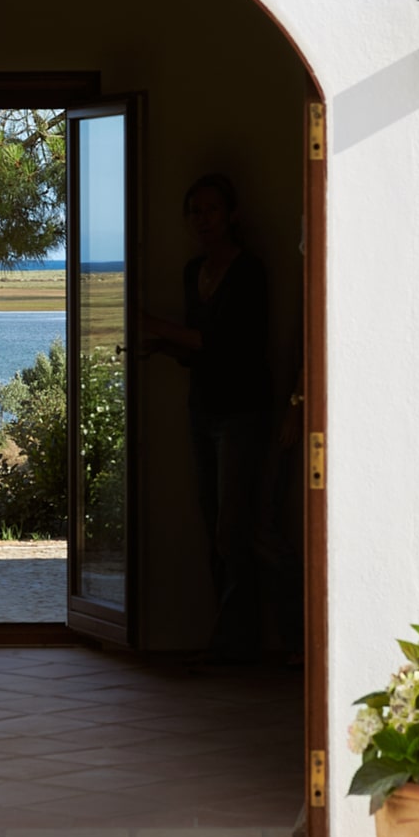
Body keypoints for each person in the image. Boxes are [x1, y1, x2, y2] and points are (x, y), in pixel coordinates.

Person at [143, 173, 274, 662]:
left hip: (243, 411)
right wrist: (164, 346)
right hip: (204, 407)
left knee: (234, 528)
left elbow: (227, 343)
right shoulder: (192, 270)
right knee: (211, 521)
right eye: (195, 211)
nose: (203, 219)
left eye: (212, 210)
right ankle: (231, 637)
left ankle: (237, 644)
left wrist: (155, 326)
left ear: (232, 215)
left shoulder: (249, 272)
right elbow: (201, 349)